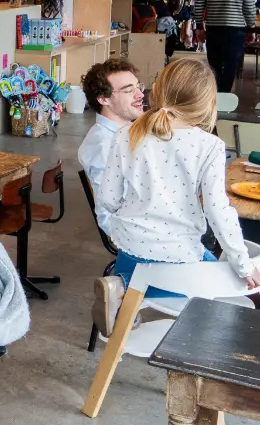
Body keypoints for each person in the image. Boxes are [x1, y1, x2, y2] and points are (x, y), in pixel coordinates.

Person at [93, 60, 260, 334]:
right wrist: (242, 265)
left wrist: (126, 225)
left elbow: (109, 199)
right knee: (226, 282)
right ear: (206, 102)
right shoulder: (210, 146)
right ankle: (197, 340)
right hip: (179, 254)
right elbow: (218, 213)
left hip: (130, 246)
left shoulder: (126, 134)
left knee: (143, 268)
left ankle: (123, 292)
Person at [77, 59, 144, 233]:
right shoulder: (104, 146)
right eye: (129, 90)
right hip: (135, 234)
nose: (140, 95)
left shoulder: (127, 132)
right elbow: (109, 217)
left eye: (138, 87)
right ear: (103, 99)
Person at [194, 0, 255, 91]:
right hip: (235, 29)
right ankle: (224, 94)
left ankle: (214, 94)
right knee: (230, 64)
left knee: (214, 63)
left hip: (214, 28)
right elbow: (248, 6)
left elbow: (199, 5)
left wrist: (199, 27)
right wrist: (251, 27)